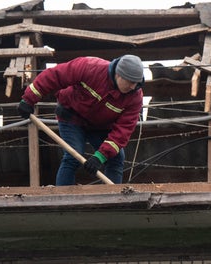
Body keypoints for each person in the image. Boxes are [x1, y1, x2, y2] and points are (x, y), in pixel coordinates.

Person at [17, 55, 145, 185]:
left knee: (116, 158)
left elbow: (123, 131)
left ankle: (113, 196)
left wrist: (100, 156)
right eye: (130, 82)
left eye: (136, 83)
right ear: (118, 74)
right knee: (74, 156)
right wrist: (28, 99)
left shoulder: (135, 98)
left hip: (100, 125)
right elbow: (55, 76)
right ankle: (63, 196)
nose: (133, 87)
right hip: (71, 116)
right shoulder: (90, 67)